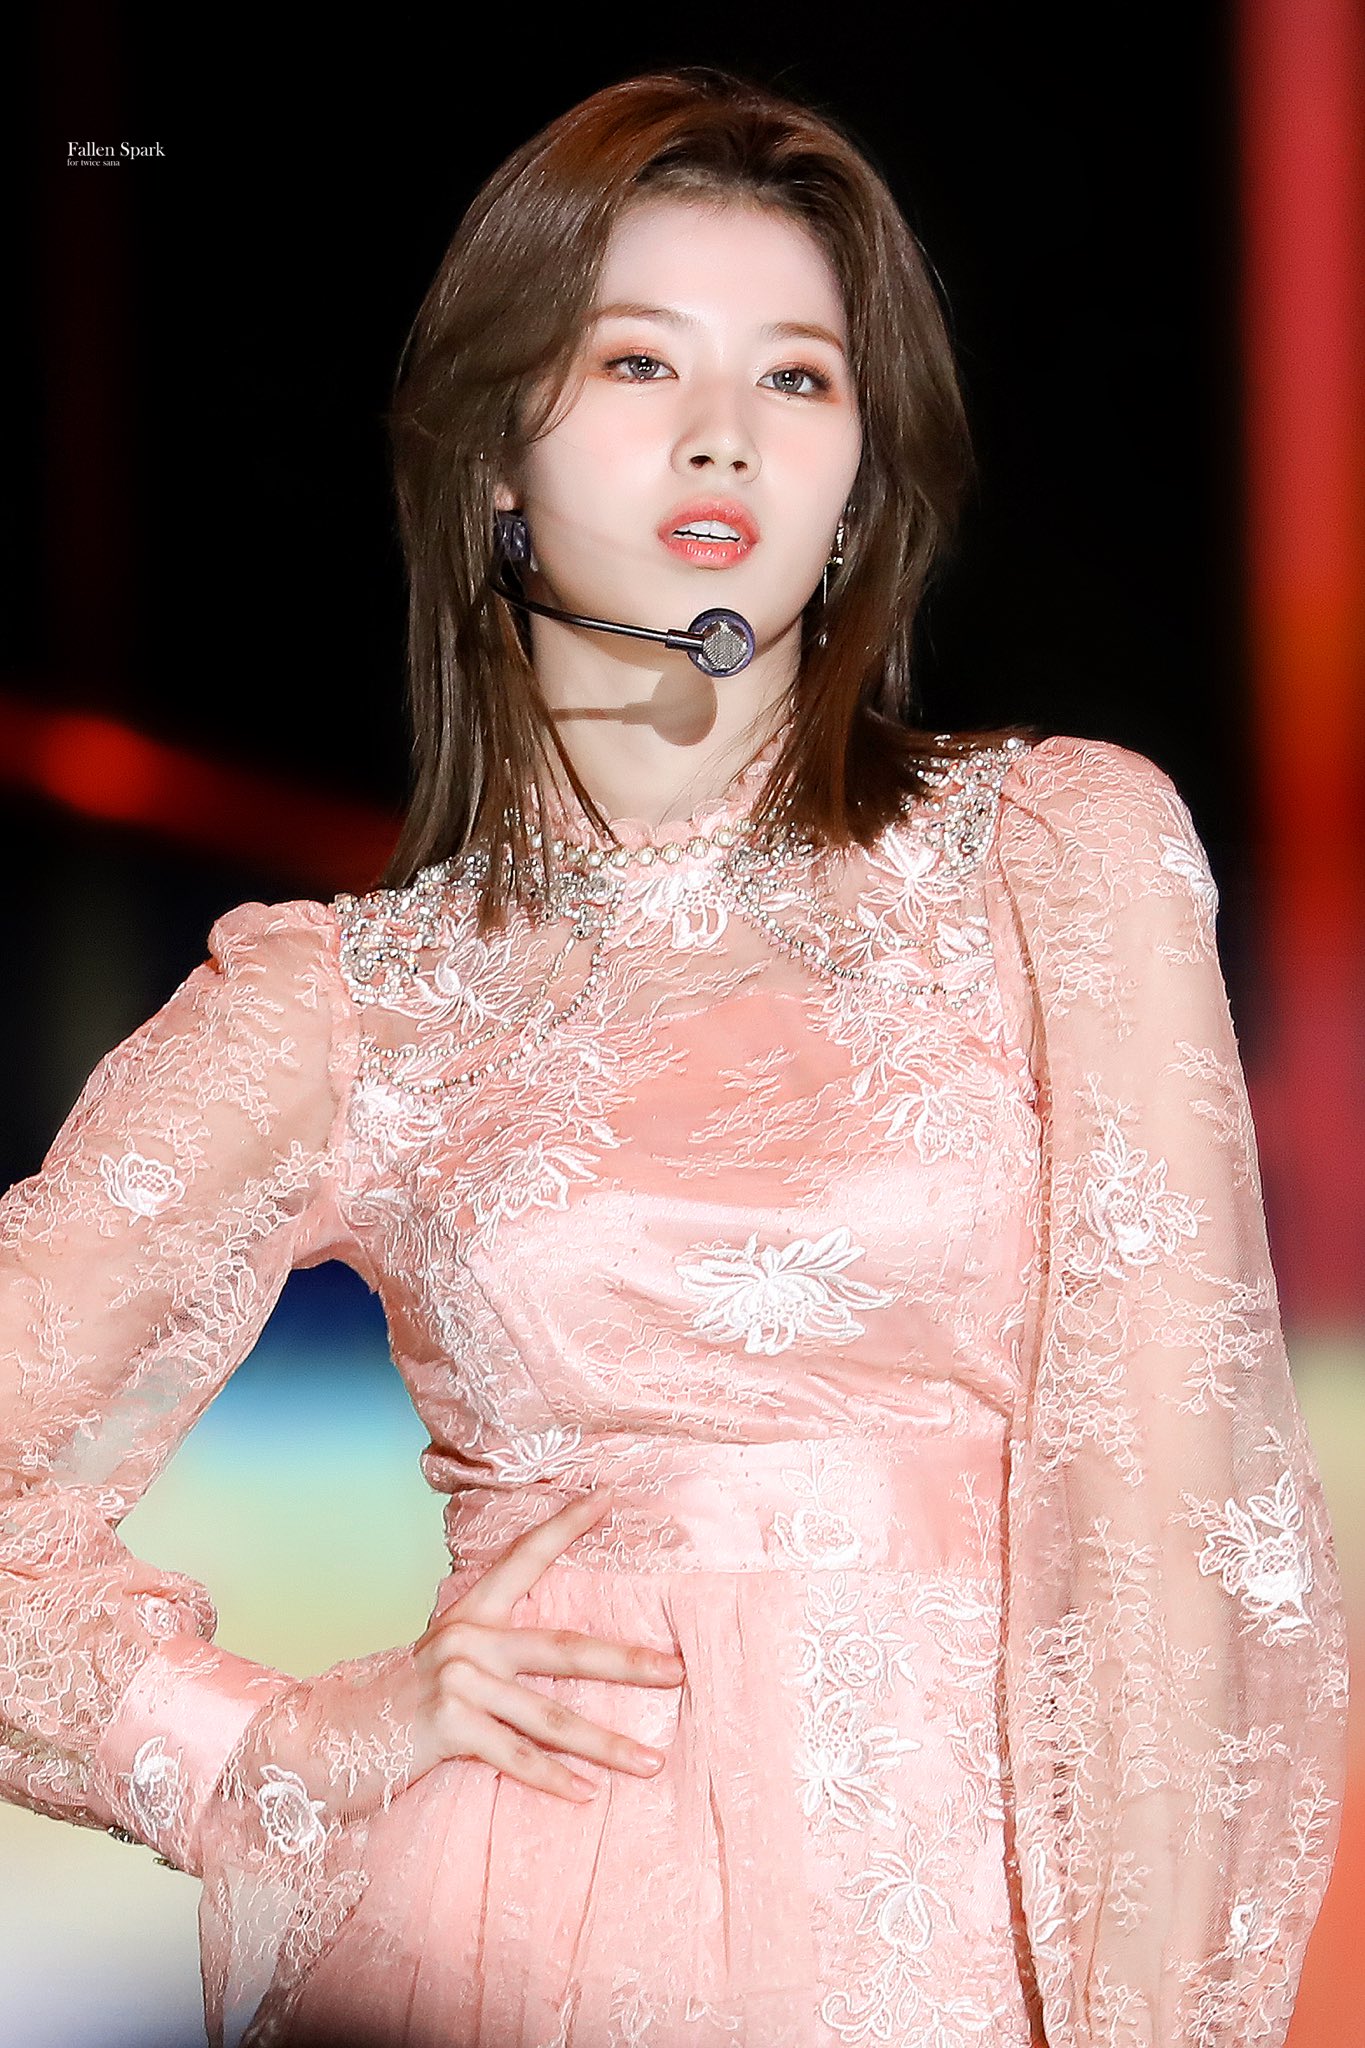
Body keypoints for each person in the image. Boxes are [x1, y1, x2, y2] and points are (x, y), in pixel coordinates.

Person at [0, 64, 1349, 2048]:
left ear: (856, 489)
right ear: (494, 456)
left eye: (798, 378)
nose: (725, 430)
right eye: (638, 361)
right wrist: (273, 1742)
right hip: (515, 1942)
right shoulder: (351, 1004)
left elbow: (1182, 1524)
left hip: (982, 1961)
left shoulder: (1055, 855)